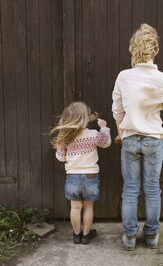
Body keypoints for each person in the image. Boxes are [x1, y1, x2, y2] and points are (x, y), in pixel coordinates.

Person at [112, 23, 163, 251]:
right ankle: (151, 236)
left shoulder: (124, 76)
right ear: (155, 50)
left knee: (130, 189)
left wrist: (121, 133)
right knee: (152, 189)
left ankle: (129, 237)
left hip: (129, 139)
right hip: (153, 139)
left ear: (133, 49)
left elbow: (117, 110)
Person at [52, 101, 111, 244]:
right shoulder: (93, 134)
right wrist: (104, 128)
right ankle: (86, 235)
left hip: (73, 177)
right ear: (85, 118)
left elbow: (60, 157)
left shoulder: (65, 137)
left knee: (75, 207)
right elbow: (106, 142)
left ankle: (76, 235)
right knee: (88, 206)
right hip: (91, 176)